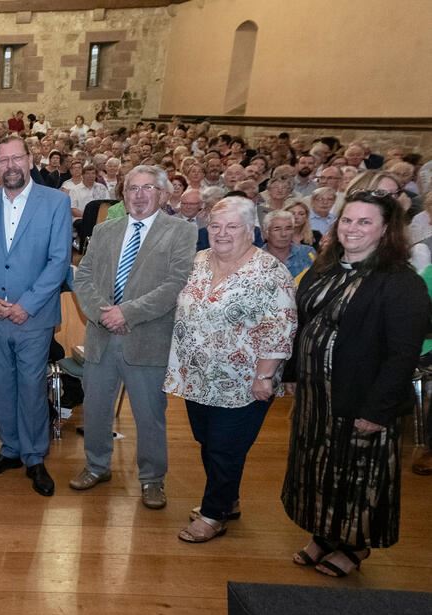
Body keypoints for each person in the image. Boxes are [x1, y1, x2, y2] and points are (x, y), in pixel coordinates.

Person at [282, 192, 431, 577]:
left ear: (385, 230)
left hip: (361, 397)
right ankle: (324, 533)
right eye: (347, 220)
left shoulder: (401, 283)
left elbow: (403, 354)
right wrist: (294, 373)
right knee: (317, 464)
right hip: (317, 397)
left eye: (365, 222)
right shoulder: (325, 267)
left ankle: (355, 545)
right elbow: (302, 324)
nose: (352, 228)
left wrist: (378, 410)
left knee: (358, 474)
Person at [164, 197, 297, 542]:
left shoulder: (269, 272)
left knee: (225, 446)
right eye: (215, 226)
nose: (221, 233)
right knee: (207, 441)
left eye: (232, 226)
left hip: (244, 381)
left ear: (251, 229)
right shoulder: (198, 261)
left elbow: (281, 327)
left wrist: (264, 375)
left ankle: (213, 513)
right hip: (197, 376)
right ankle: (228, 500)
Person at [71, 166, 197, 509]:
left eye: (147, 188)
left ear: (163, 194)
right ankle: (97, 466)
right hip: (100, 336)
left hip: (147, 339)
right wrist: (103, 313)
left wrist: (127, 312)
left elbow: (176, 283)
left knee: (148, 415)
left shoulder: (181, 232)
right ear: (122, 195)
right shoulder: (105, 230)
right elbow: (82, 278)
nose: (138, 195)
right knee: (95, 409)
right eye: (131, 189)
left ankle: (152, 479)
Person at [0, 136, 72, 497]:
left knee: (31, 387)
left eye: (17, 158)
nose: (11, 165)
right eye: (3, 160)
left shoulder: (56, 202)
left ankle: (34, 456)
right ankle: (10, 449)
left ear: (30, 160)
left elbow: (59, 260)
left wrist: (26, 304)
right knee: (0, 385)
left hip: (34, 315)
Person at [261, 209, 315, 281]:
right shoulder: (256, 259)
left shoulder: (307, 253)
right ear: (266, 233)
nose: (283, 234)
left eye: (288, 229)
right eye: (277, 229)